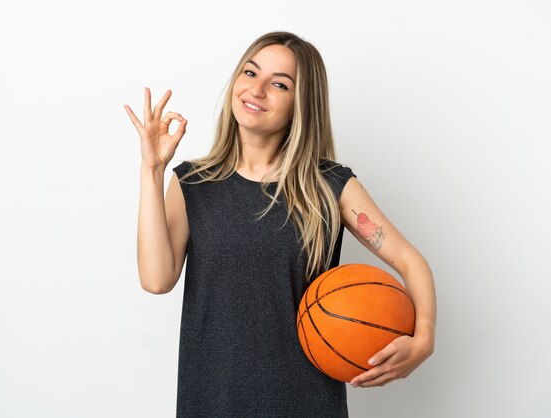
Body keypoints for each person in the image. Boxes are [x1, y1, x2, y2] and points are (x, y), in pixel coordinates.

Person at [124, 31, 436, 417]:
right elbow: (156, 280)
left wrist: (422, 341)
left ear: (300, 104)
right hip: (212, 401)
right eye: (250, 73)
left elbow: (408, 259)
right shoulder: (193, 183)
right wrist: (152, 170)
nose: (257, 90)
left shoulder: (328, 185)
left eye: (279, 84)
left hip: (306, 403)